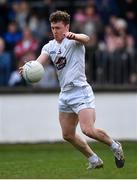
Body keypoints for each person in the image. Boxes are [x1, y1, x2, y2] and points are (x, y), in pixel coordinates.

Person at [19, 10, 125, 170]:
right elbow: (38, 63)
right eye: (53, 28)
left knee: (88, 130)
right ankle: (94, 159)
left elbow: (87, 38)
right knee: (67, 134)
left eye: (58, 28)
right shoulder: (49, 46)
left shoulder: (74, 41)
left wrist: (74, 35)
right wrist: (28, 68)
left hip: (80, 90)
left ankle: (115, 146)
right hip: (65, 93)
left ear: (66, 26)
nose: (55, 31)